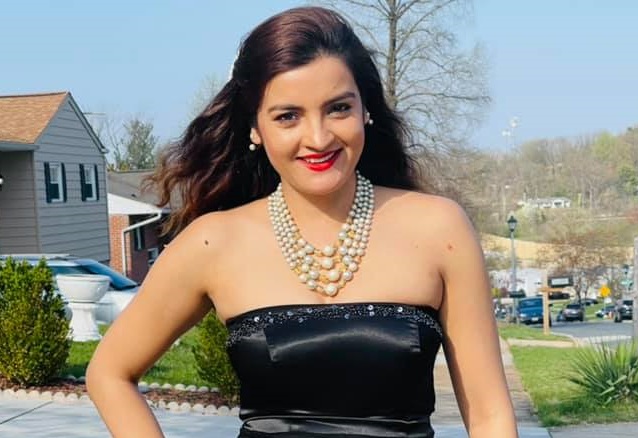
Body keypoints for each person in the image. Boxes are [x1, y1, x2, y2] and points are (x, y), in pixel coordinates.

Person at [86, 6, 517, 438]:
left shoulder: (439, 229)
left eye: (338, 108)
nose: (318, 138)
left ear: (365, 110)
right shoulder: (213, 243)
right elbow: (109, 372)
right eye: (288, 116)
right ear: (255, 127)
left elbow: (489, 416)